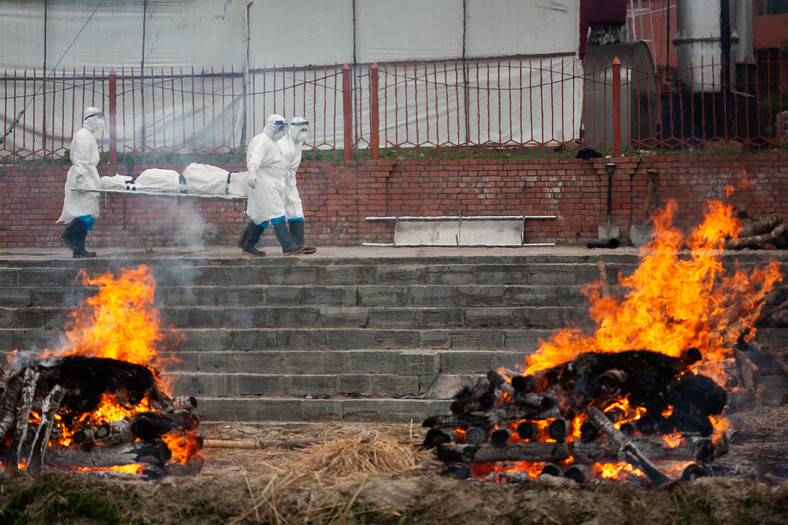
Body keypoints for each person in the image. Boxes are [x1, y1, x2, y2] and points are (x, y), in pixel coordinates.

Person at [240, 114, 313, 256]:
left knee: (260, 215)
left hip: (274, 180)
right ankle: (288, 246)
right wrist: (252, 172)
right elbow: (255, 157)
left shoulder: (273, 142)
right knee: (277, 211)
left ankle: (247, 245)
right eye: (278, 127)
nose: (281, 130)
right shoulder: (261, 140)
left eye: (282, 128)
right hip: (262, 179)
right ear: (271, 126)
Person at [57, 107, 105, 258]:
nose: (99, 122)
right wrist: (81, 180)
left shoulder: (88, 135)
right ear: (90, 119)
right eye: (97, 118)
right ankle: (69, 235)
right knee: (87, 212)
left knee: (84, 211)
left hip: (87, 174)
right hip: (83, 176)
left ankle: (78, 250)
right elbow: (82, 161)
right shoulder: (83, 135)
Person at [278, 117, 316, 254]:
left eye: (306, 130)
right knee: (267, 213)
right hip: (280, 180)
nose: (304, 133)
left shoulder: (297, 143)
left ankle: (298, 243)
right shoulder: (285, 145)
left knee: (295, 207)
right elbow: (280, 168)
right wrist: (280, 186)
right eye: (302, 130)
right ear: (294, 130)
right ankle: (247, 242)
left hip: (289, 180)